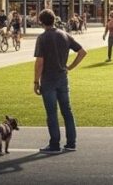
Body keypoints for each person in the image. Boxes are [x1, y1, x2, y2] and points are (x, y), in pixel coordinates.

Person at [34, 8, 88, 154]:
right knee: (67, 111)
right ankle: (71, 142)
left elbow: (40, 62)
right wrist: (70, 66)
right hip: (62, 77)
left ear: (41, 22)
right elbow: (82, 52)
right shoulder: (65, 35)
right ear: (54, 20)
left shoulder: (42, 38)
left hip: (48, 79)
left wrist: (35, 81)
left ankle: (54, 144)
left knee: (52, 113)